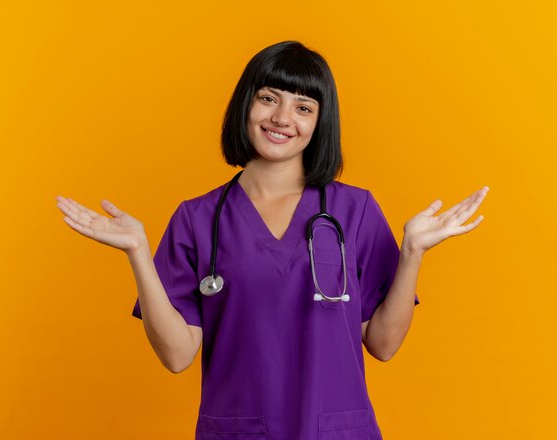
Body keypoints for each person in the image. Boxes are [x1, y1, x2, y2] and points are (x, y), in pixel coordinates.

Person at [56, 41, 489, 440]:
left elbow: (382, 344)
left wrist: (412, 252)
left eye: (303, 106)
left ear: (320, 122)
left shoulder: (354, 211)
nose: (282, 118)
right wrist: (138, 254)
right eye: (269, 98)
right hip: (241, 429)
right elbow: (176, 356)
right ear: (247, 104)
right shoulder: (197, 218)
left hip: (335, 429)